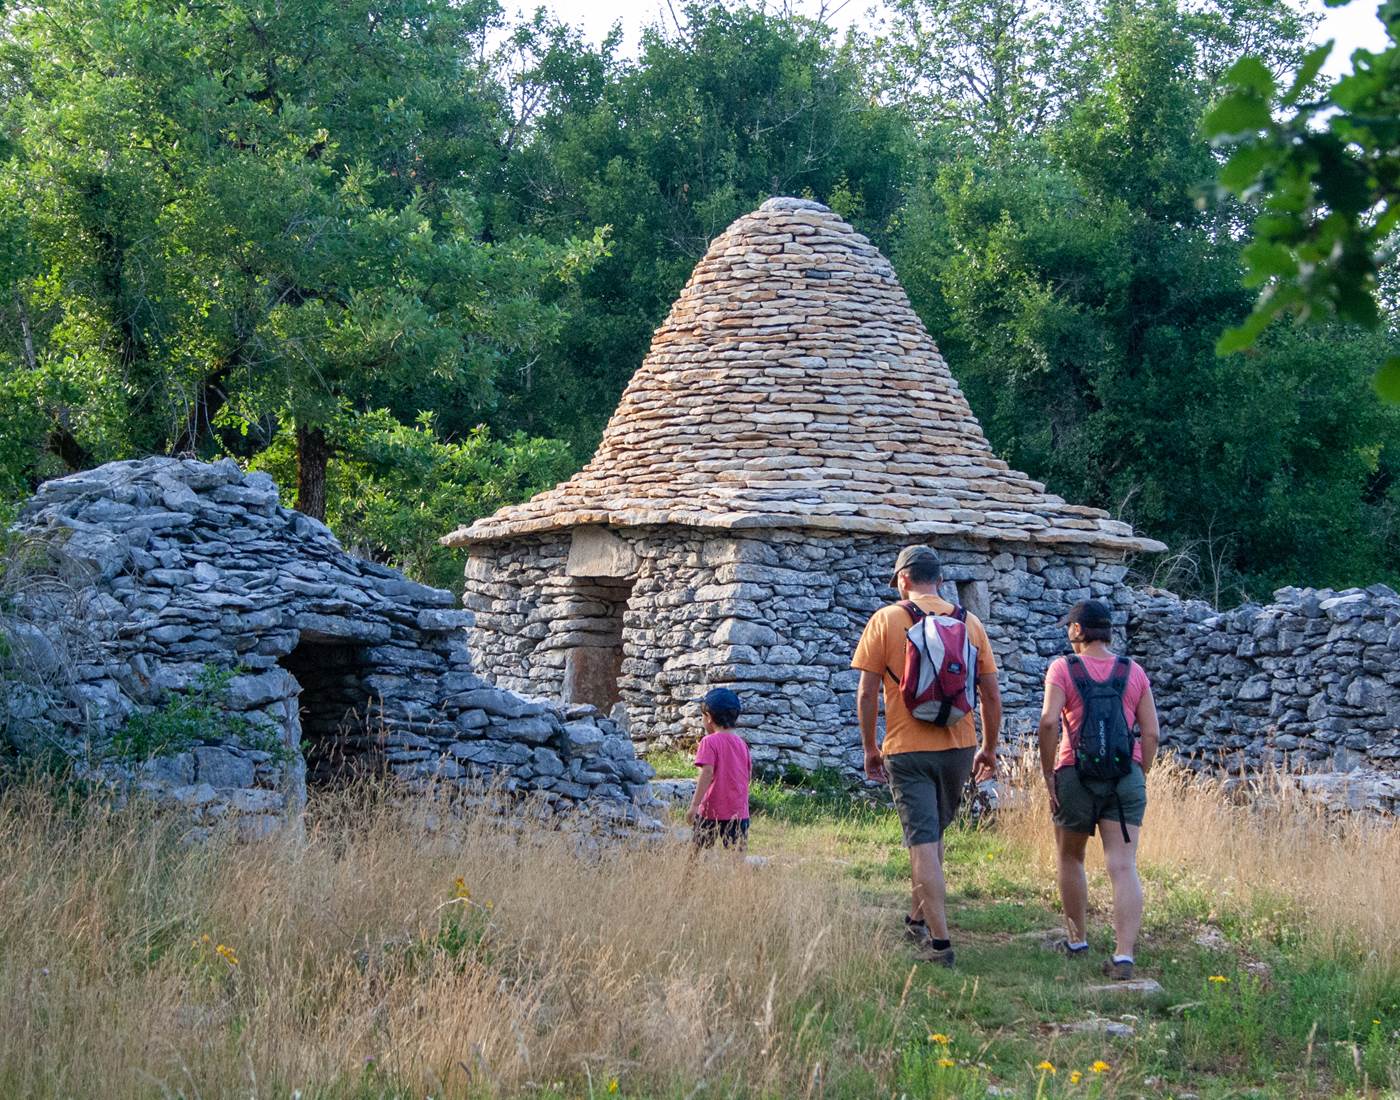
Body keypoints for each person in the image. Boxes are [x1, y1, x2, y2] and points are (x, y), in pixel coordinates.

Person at [852, 546, 1002, 967]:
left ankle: (940, 944)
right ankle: (916, 919)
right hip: (959, 745)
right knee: (933, 839)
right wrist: (988, 748)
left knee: (922, 843)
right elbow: (990, 694)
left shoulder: (886, 620)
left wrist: (870, 746)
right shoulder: (969, 623)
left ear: (903, 580)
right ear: (939, 580)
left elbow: (866, 692)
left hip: (907, 748)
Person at [1037, 599, 1160, 981]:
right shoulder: (1133, 671)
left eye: (1068, 628)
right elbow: (1152, 732)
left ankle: (1077, 940)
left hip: (1075, 774)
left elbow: (1047, 723)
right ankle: (1124, 956)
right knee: (1123, 866)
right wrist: (1140, 772)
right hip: (1125, 777)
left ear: (1077, 630)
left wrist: (1048, 775)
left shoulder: (1063, 668)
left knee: (1071, 858)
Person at [686, 687, 752, 851]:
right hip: (739, 813)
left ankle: (689, 877)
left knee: (696, 853)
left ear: (708, 717)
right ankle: (738, 878)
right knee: (737, 859)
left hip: (711, 811)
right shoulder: (742, 744)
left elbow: (707, 773)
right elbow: (747, 775)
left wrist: (694, 805)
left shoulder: (709, 742)